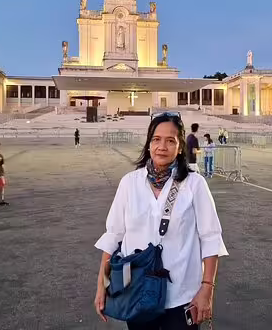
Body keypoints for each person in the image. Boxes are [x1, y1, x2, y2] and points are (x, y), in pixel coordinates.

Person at [94, 113, 228, 328]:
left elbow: (210, 238)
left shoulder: (194, 184)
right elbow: (113, 236)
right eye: (156, 139)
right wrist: (102, 285)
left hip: (183, 296)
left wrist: (207, 289)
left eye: (170, 140)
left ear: (180, 146)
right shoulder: (130, 183)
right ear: (148, 144)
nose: (162, 146)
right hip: (137, 292)